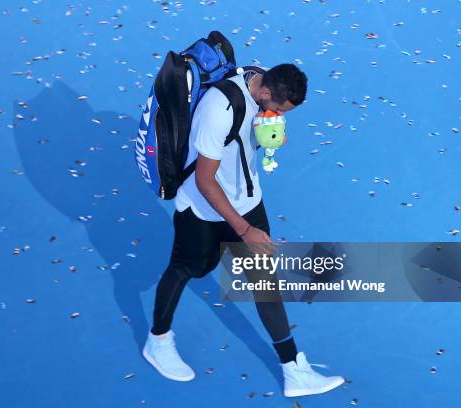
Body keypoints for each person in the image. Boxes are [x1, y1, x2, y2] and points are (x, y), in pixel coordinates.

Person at [142, 64, 345, 397]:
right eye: (279, 109)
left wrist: (274, 131)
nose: (279, 115)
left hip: (247, 200)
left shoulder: (263, 79)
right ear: (265, 92)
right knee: (186, 269)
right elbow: (205, 181)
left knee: (264, 281)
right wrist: (244, 229)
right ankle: (158, 340)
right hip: (202, 209)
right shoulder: (218, 110)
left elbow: (251, 141)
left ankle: (292, 367)